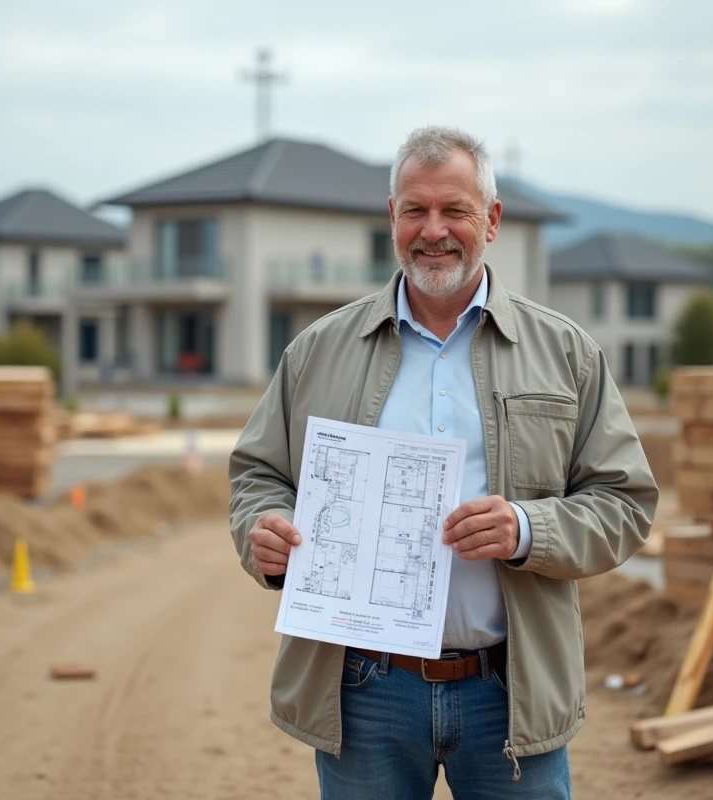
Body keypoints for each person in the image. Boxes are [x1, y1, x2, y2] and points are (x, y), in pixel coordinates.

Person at [228, 125, 658, 799]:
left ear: (490, 219)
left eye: (454, 210)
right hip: (364, 691)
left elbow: (626, 503)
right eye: (415, 210)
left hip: (508, 690)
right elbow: (258, 476)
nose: (434, 230)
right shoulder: (316, 352)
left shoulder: (567, 355)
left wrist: (526, 528)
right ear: (391, 217)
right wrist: (266, 527)